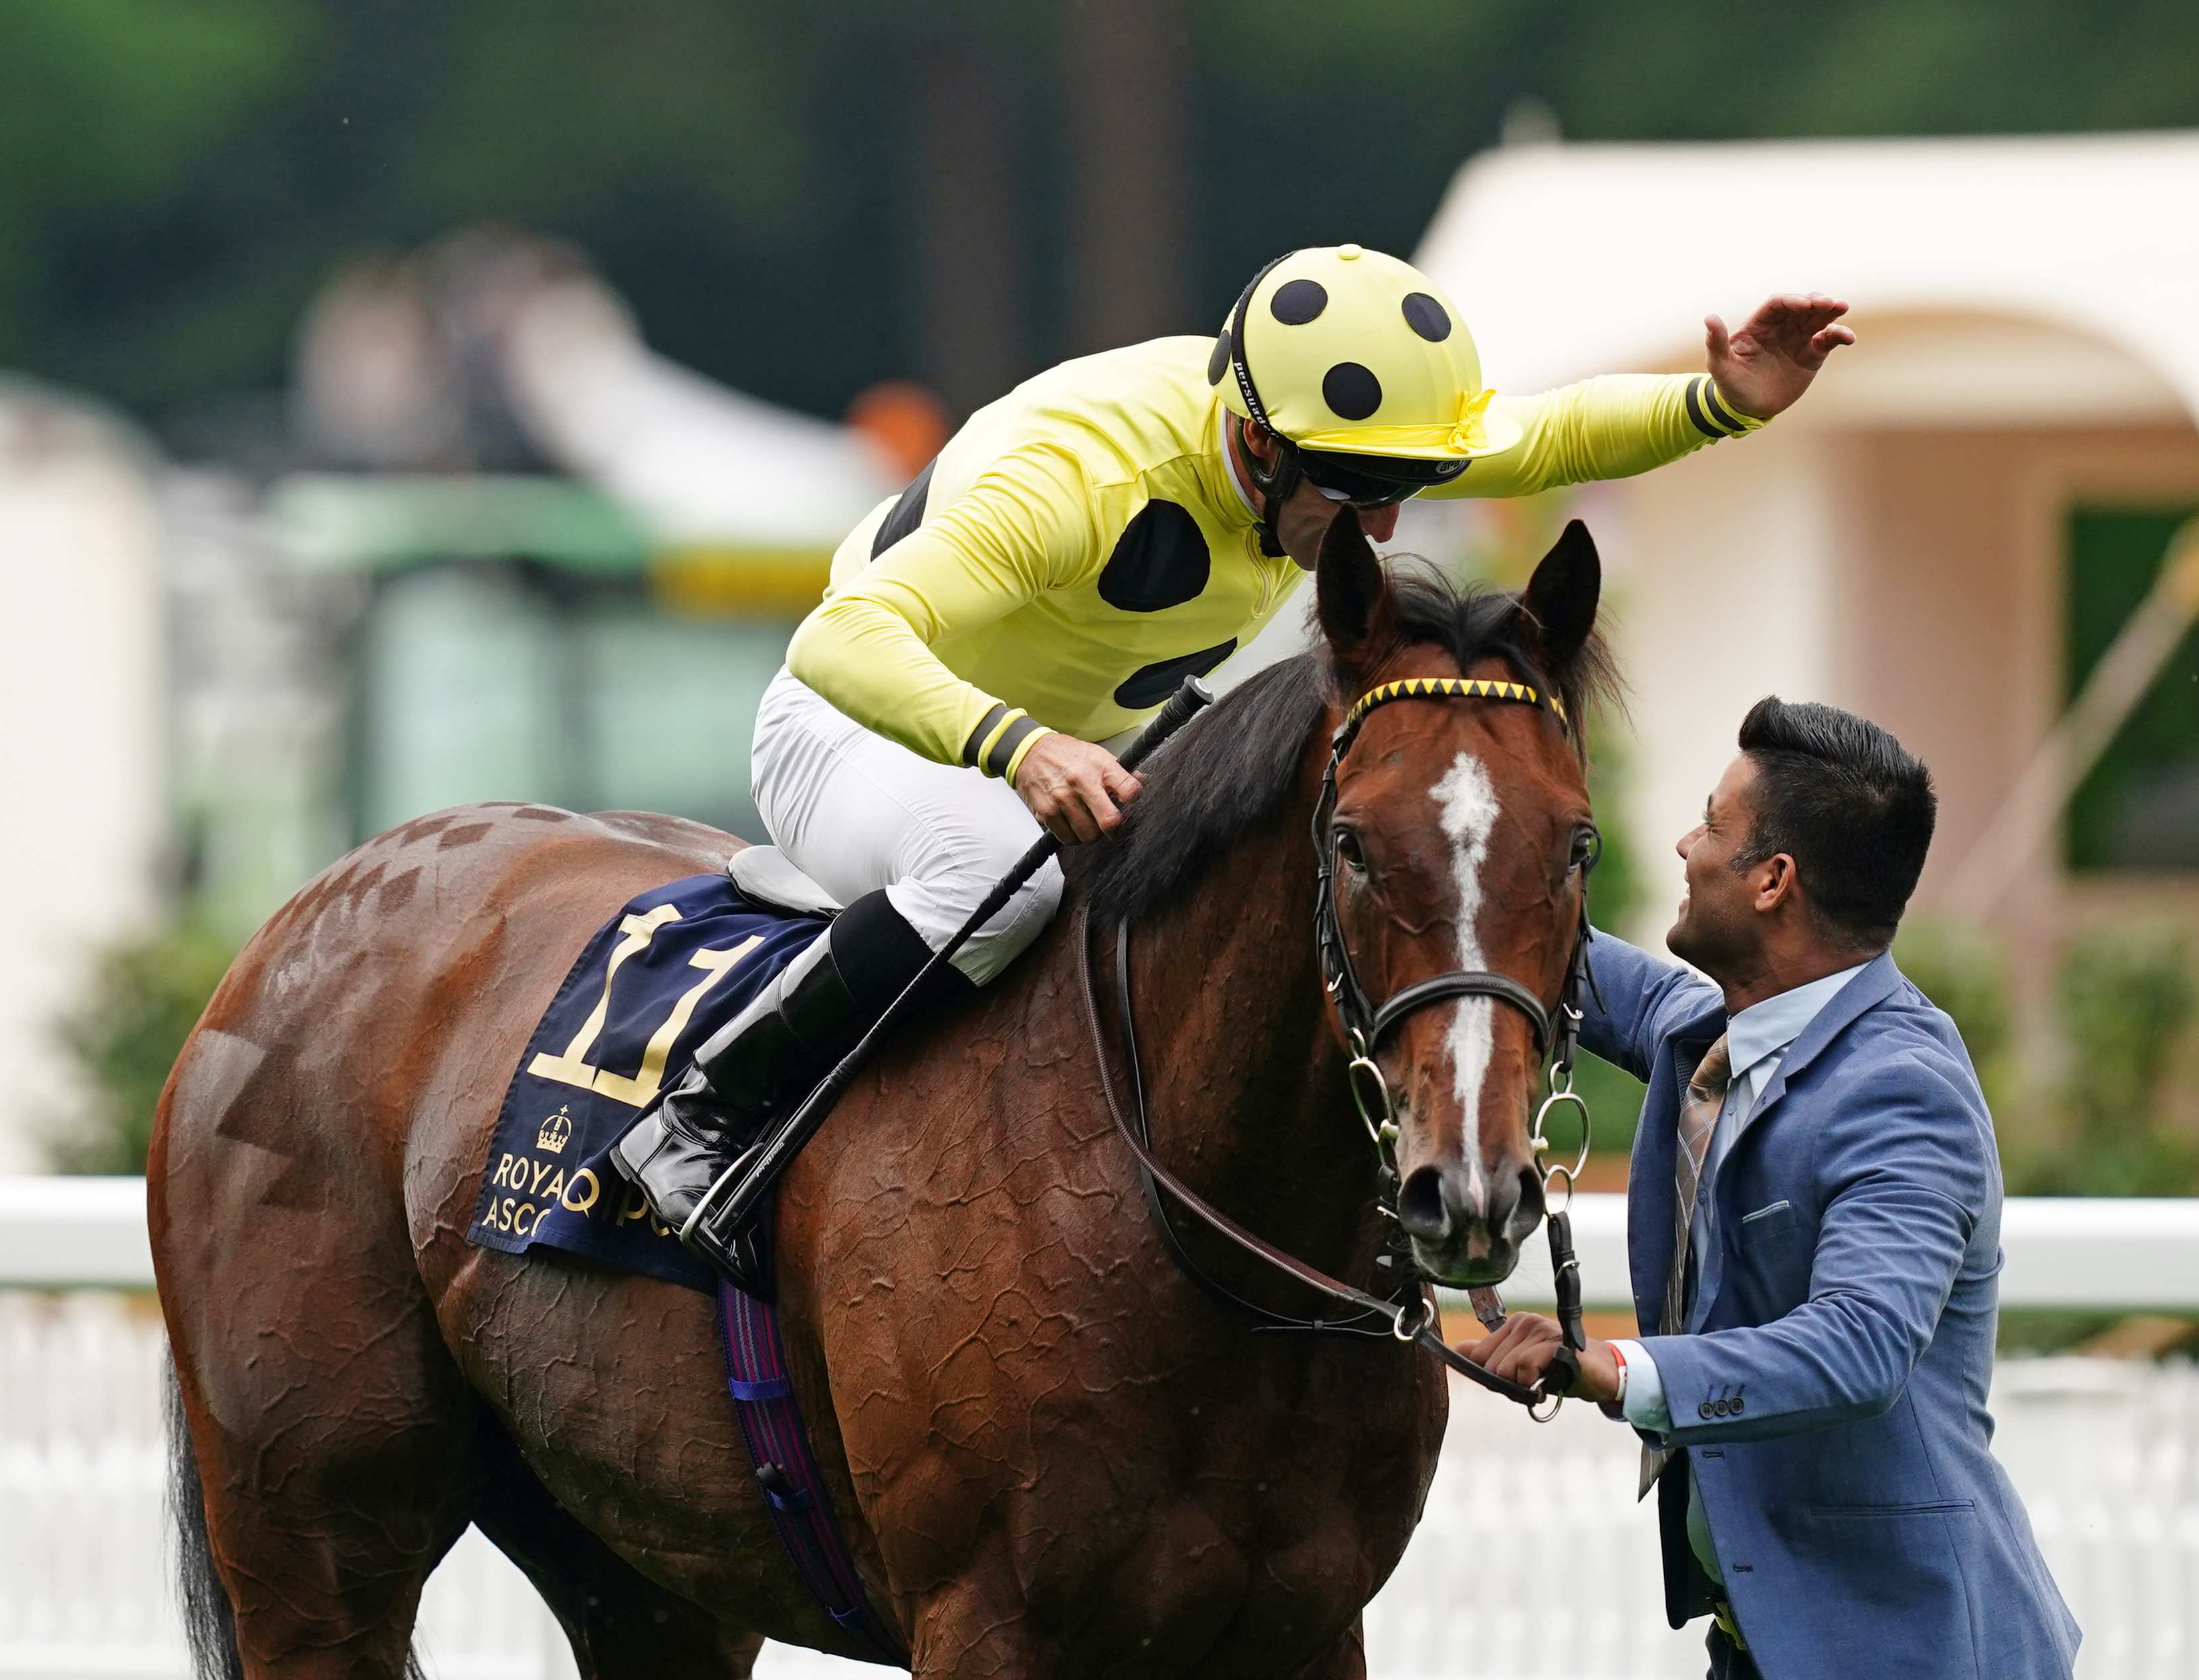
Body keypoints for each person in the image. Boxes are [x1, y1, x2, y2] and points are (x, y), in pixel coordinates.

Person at [618, 242, 1855, 1268]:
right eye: (1361, 496)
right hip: (860, 726)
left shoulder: (1332, 431)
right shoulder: (1075, 476)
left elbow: (1550, 437)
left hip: (1065, 748)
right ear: (1258, 447)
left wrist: (1722, 404)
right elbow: (841, 640)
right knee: (995, 874)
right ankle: (702, 1110)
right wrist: (1017, 745)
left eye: (1406, 492)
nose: (1385, 527)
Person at [1462, 697, 2079, 1680]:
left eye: (1710, 825)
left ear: (1772, 881)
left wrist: (1614, 1370)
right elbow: (1518, 937)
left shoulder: (1902, 1092)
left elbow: (1859, 1346)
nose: (1684, 847)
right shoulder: (1718, 1027)